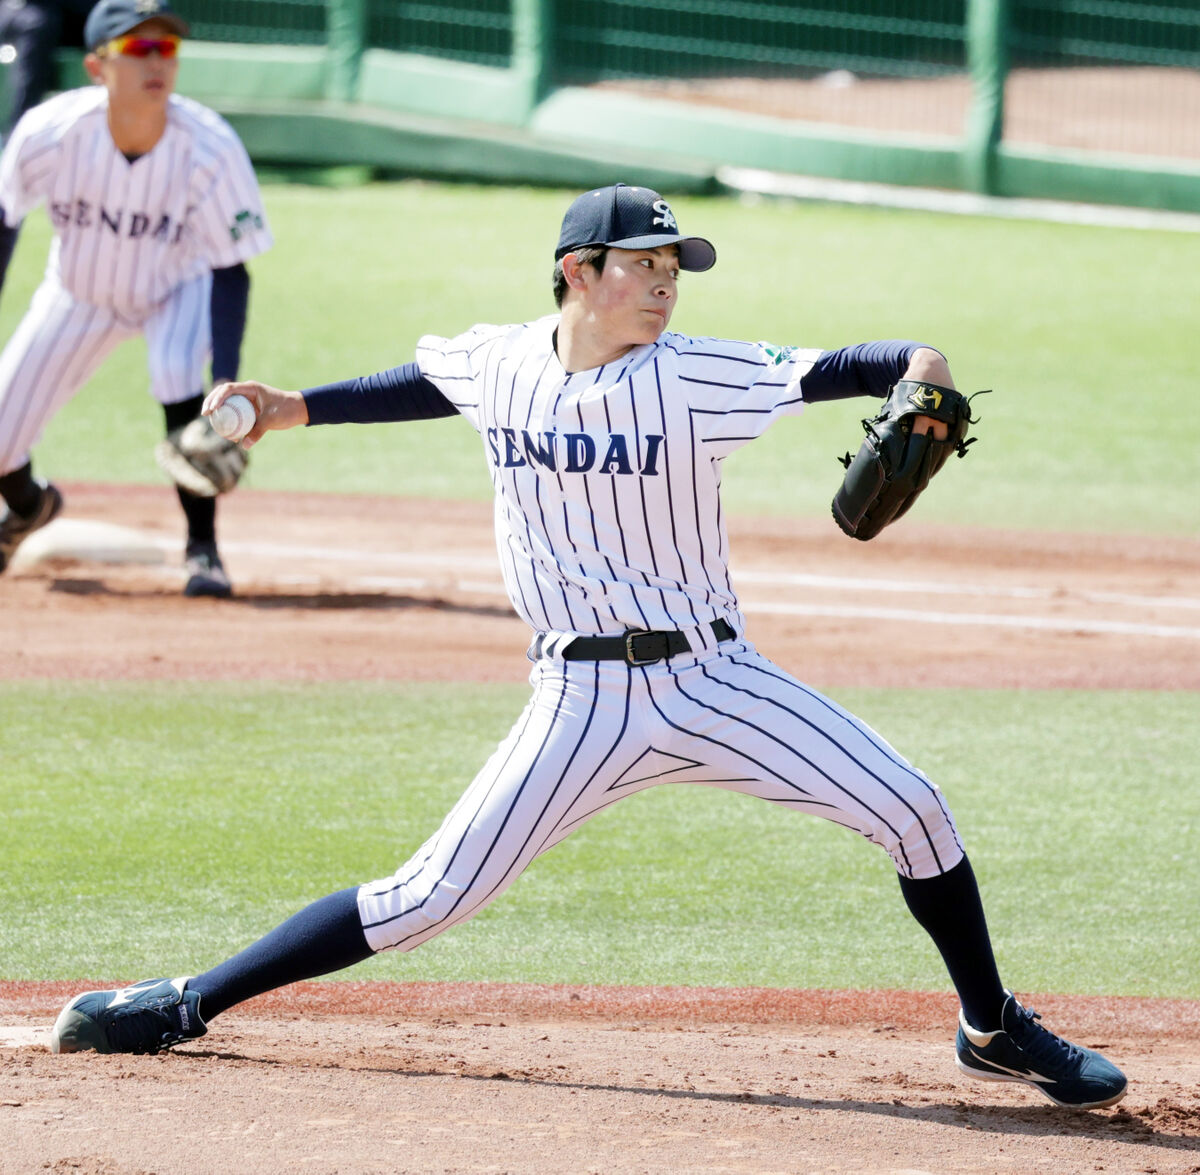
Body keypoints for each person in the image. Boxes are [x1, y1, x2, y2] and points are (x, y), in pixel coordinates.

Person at [49, 182, 1127, 1110]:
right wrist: (290, 408)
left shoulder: (696, 373)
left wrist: (926, 364)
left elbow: (856, 363)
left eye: (674, 268)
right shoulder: (499, 359)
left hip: (714, 679)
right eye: (643, 265)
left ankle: (989, 1025)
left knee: (915, 808)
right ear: (577, 271)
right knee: (425, 896)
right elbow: (425, 384)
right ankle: (186, 1000)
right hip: (578, 703)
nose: (665, 285)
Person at [0, 0, 271, 595]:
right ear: (97, 67)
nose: (158, 62)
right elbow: (4, 219)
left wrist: (226, 379)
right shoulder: (50, 134)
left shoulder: (210, 147)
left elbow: (231, 269)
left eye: (167, 47)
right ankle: (27, 507)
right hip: (79, 292)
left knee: (176, 369)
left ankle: (203, 551)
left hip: (178, 286)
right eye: (139, 47)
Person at [0, 1, 97, 137]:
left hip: (76, 9)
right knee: (37, 24)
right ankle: (19, 134)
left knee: (116, 24)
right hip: (29, 9)